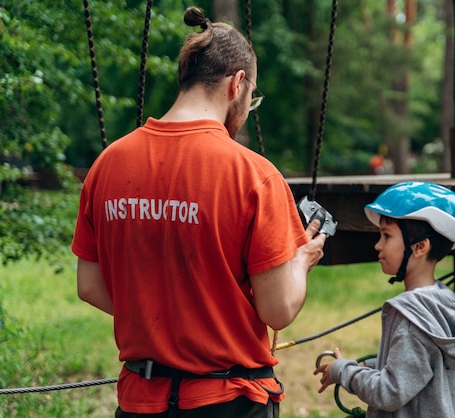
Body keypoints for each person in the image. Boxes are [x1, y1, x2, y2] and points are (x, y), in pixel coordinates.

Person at [71, 6, 327, 418]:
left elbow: (89, 285)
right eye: (252, 96)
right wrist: (302, 259)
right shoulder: (254, 174)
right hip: (229, 402)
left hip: (140, 402)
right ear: (237, 83)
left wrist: (162, 314)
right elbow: (278, 309)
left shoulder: (108, 164)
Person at [314, 181, 455, 418]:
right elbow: (415, 366)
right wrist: (370, 367)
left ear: (419, 247)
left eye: (386, 236)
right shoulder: (439, 302)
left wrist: (343, 372)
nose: (378, 245)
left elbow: (389, 392)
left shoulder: (412, 318)